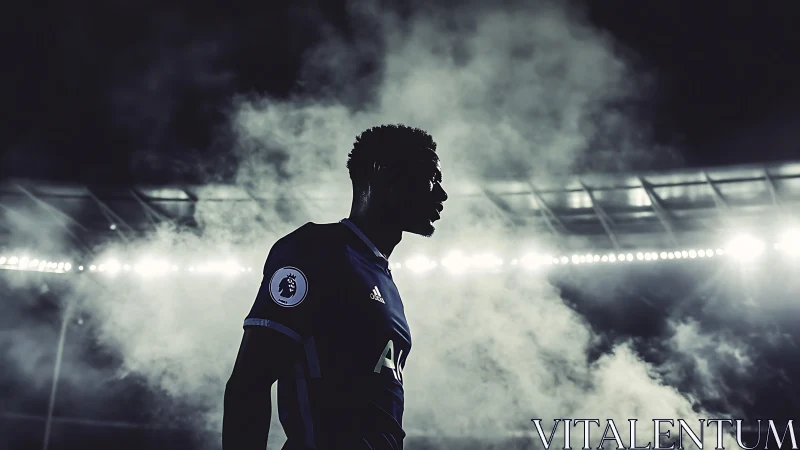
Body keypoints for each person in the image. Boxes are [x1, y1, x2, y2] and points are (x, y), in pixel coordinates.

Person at [222, 124, 448, 449]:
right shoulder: (316, 251)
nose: (441, 193)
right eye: (432, 177)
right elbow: (249, 383)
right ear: (385, 173)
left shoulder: (383, 278)